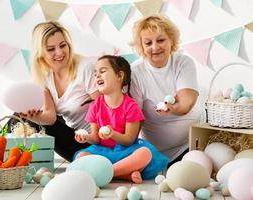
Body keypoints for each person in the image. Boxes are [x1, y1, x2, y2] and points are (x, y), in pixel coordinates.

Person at [74, 55, 168, 184]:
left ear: (119, 76)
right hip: (103, 153)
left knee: (145, 154)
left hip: (126, 152)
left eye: (102, 71)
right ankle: (124, 174)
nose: (97, 76)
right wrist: (86, 138)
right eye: (95, 73)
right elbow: (95, 139)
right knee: (81, 156)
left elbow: (129, 140)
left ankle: (106, 173)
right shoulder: (95, 106)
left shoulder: (131, 106)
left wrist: (113, 134)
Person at [18, 21, 100, 161]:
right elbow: (50, 117)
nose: (60, 52)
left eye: (63, 45)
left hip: (94, 143)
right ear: (40, 53)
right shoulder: (43, 75)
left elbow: (103, 110)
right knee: (20, 115)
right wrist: (34, 117)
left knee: (27, 119)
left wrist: (98, 139)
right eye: (51, 49)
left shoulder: (86, 67)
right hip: (75, 139)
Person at [130, 14, 202, 165]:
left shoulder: (183, 63)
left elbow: (186, 104)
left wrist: (172, 108)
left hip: (191, 145)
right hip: (155, 153)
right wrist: (130, 149)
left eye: (161, 40)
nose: (155, 47)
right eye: (148, 43)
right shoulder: (136, 72)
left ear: (171, 41)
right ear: (142, 47)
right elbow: (134, 117)